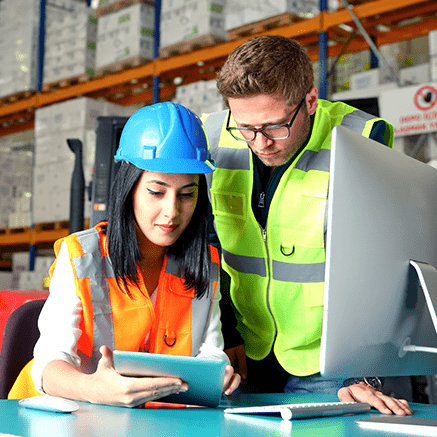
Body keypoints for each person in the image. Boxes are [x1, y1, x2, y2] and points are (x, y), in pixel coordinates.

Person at [201, 35, 411, 415]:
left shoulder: (359, 138)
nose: (259, 143)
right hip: (245, 351)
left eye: (274, 126)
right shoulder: (215, 136)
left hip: (330, 364)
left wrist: (361, 371)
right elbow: (210, 245)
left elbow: (382, 270)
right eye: (245, 127)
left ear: (310, 101)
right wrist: (226, 332)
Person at [9, 102, 240, 406]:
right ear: (129, 188)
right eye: (156, 192)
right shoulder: (81, 256)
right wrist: (94, 388)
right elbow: (48, 363)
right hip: (53, 416)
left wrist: (217, 372)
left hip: (144, 421)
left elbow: (209, 351)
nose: (172, 211)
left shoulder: (204, 264)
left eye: (187, 194)